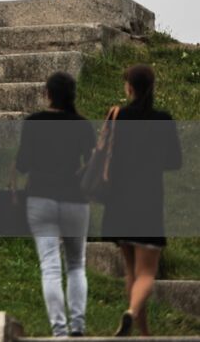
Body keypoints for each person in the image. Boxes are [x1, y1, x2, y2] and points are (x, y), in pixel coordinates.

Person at [101, 64, 183, 337]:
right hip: (148, 199)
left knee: (130, 272)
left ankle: (143, 332)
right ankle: (133, 314)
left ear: (130, 88)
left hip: (118, 200)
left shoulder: (118, 116)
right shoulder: (163, 119)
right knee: (147, 273)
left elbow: (103, 152)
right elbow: (174, 161)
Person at [13, 72, 95, 337]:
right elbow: (92, 162)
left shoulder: (34, 122)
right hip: (75, 199)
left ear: (47, 94)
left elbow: (23, 164)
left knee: (50, 265)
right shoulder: (82, 124)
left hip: (40, 198)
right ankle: (79, 326)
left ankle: (59, 330)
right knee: (76, 264)